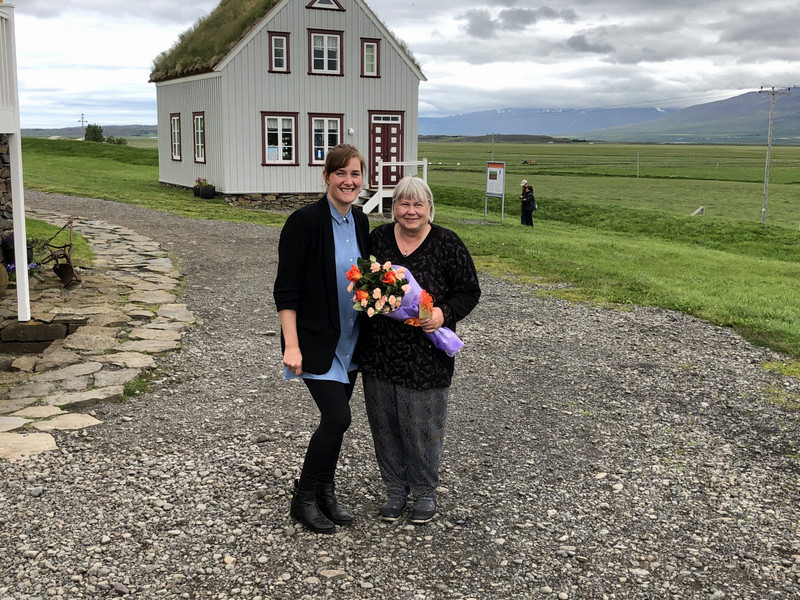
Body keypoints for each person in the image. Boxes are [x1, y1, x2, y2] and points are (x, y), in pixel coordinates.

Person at [360, 176, 481, 524]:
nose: (410, 211)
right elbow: (363, 283)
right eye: (403, 203)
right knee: (384, 423)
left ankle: (425, 491)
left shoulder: (447, 243)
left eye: (417, 204)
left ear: (429, 208)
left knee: (423, 425)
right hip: (380, 351)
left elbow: (469, 291)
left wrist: (443, 312)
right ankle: (395, 490)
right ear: (394, 207)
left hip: (427, 354)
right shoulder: (378, 239)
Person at [273, 144, 370, 534]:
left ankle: (326, 493)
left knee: (336, 423)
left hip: (351, 342)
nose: (349, 181)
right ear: (327, 177)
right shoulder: (304, 222)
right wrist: (291, 345)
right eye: (341, 173)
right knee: (337, 417)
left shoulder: (361, 221)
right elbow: (286, 291)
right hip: (315, 343)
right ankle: (304, 497)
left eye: (356, 174)